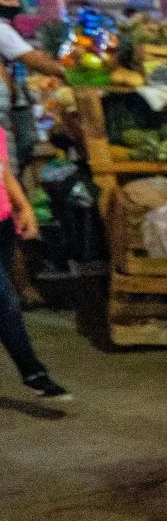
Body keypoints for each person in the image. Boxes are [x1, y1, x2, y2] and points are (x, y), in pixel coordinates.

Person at [0, 127, 66, 400]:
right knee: (5, 300)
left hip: (2, 225)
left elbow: (4, 175)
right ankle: (33, 372)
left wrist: (24, 207)